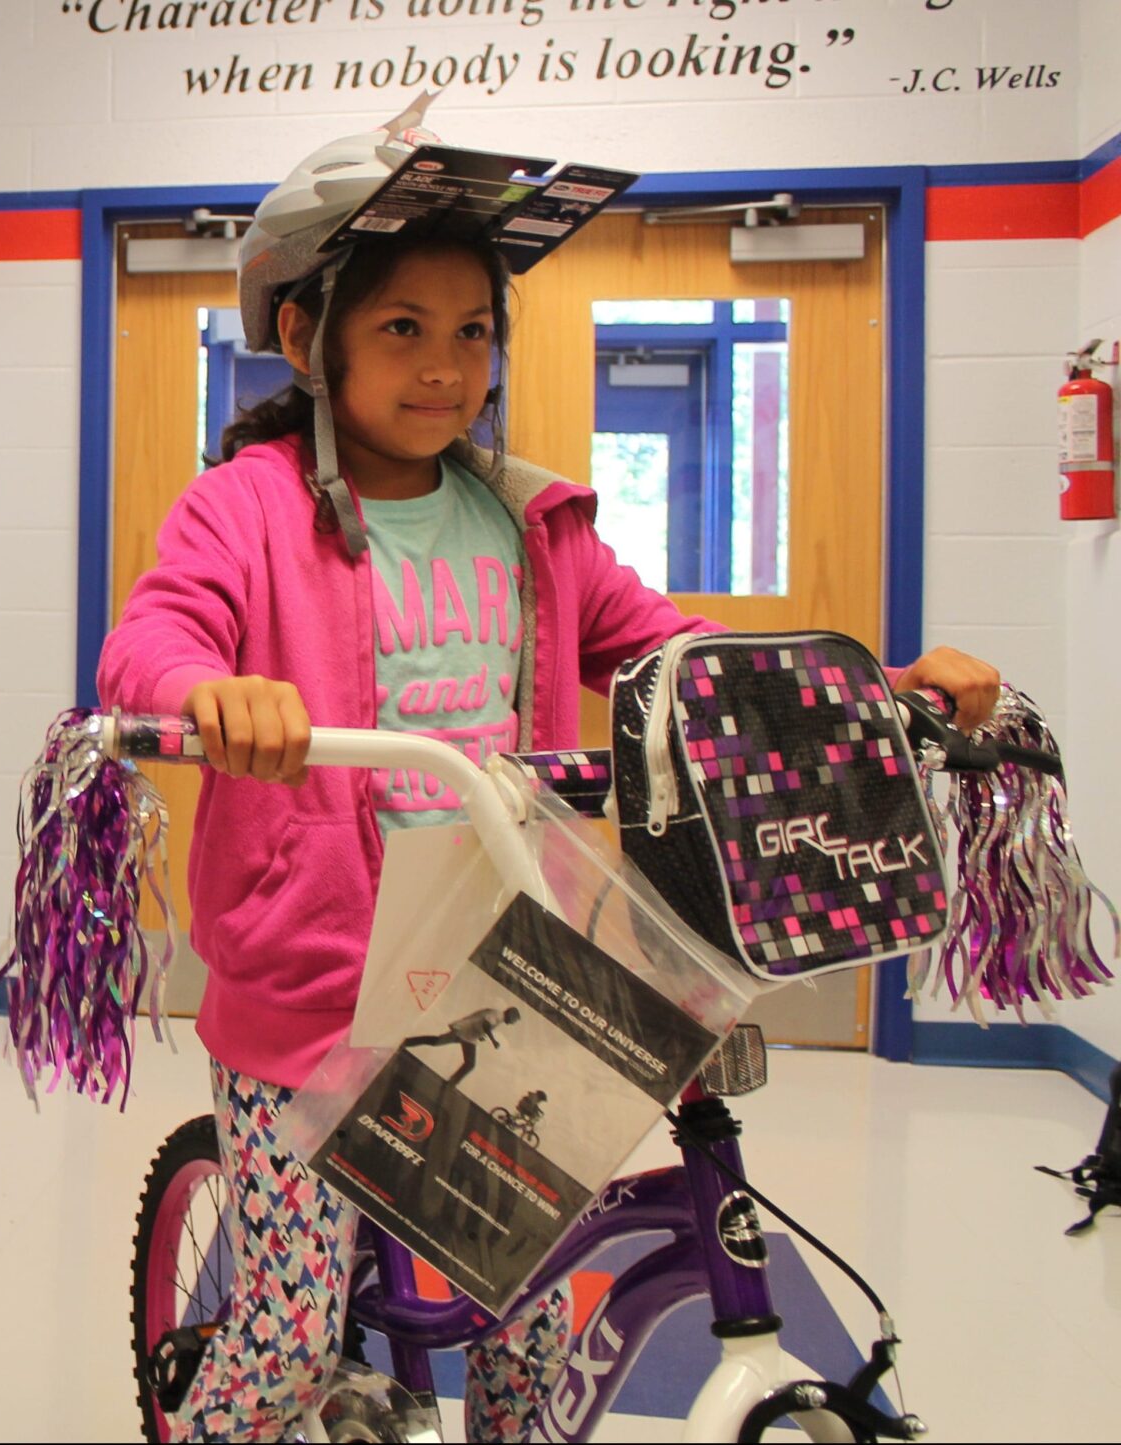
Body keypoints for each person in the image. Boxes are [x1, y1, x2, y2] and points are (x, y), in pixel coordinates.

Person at [97, 98, 1000, 1443]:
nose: (444, 368)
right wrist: (206, 691)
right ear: (305, 332)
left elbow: (680, 655)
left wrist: (873, 685)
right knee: (282, 1342)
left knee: (521, 1331)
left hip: (504, 969)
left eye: (473, 332)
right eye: (402, 329)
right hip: (313, 987)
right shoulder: (247, 507)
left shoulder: (533, 518)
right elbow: (149, 640)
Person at [405, 1005, 522, 1084]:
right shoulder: (498, 1014)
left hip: (469, 1037)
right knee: (437, 1042)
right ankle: (407, 1042)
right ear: (511, 1015)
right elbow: (486, 1025)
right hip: (463, 1032)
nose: (513, 1023)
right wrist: (494, 1041)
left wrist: (480, 1035)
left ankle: (451, 1083)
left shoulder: (498, 1017)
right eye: (514, 1020)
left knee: (469, 1063)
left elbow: (482, 1022)